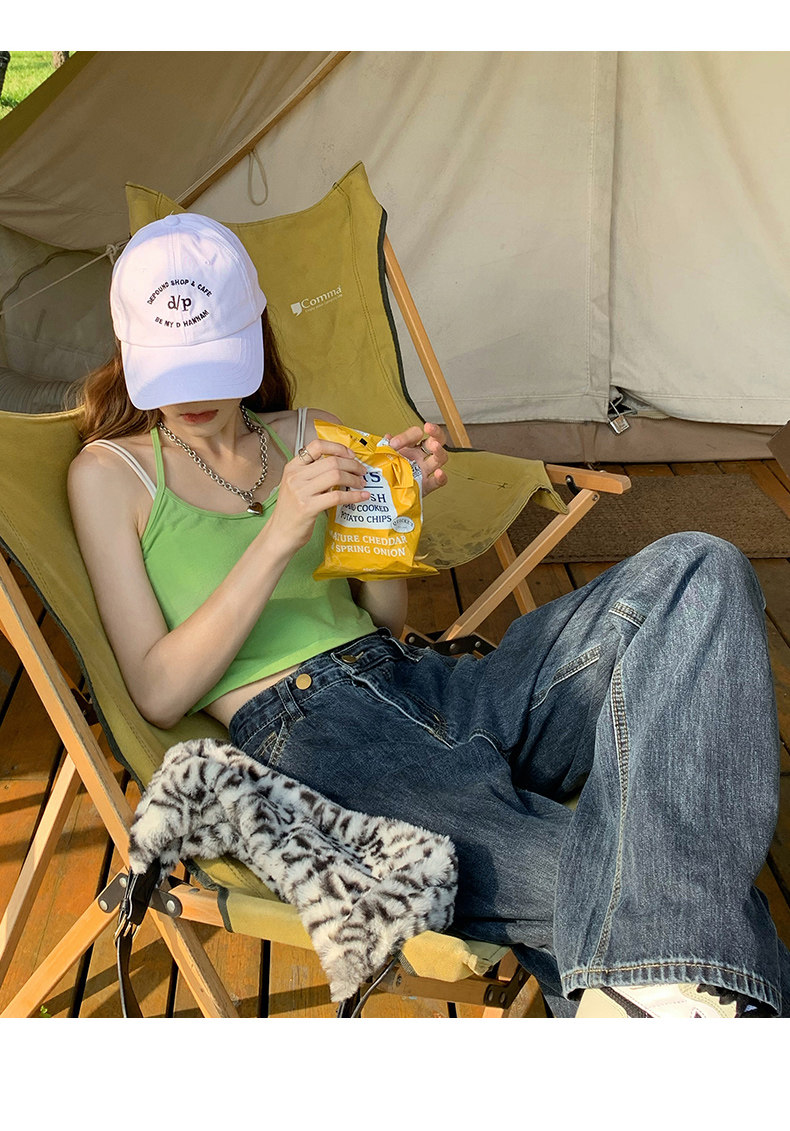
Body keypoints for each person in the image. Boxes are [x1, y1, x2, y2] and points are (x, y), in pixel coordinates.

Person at [68, 212, 788, 1019]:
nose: (193, 396)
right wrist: (278, 534)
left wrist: (389, 513)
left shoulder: (308, 434)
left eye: (211, 365)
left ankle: (650, 997)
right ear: (129, 352)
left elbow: (381, 617)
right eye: (170, 372)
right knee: (607, 873)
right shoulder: (112, 474)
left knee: (699, 567)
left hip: (424, 678)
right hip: (316, 736)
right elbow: (159, 691)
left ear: (252, 335)